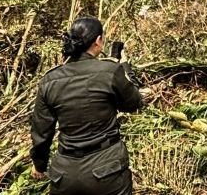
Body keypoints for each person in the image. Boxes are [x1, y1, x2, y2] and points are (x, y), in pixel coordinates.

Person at [30, 17, 143, 195]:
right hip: (107, 170)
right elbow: (134, 103)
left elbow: (41, 130)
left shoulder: (49, 80)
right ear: (98, 41)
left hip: (65, 175)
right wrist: (125, 68)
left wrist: (39, 164)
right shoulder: (110, 71)